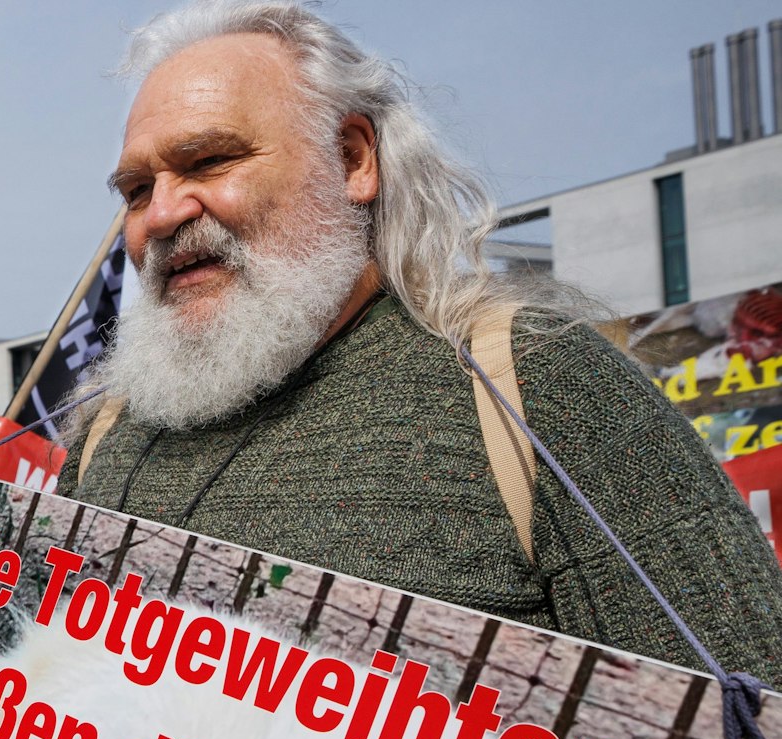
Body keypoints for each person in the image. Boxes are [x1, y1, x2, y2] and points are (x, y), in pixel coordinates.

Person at [60, 2, 782, 686]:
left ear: (351, 158)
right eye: (134, 190)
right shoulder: (106, 440)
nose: (159, 214)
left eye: (209, 160)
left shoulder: (538, 386)